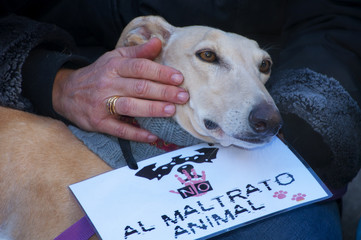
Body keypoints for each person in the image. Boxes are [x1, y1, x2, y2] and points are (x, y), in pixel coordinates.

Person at [1, 0, 361, 239]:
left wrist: (313, 112)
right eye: (208, 56)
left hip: (260, 167)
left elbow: (338, 20)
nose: (259, 102)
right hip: (60, 82)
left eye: (261, 66)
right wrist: (50, 77)